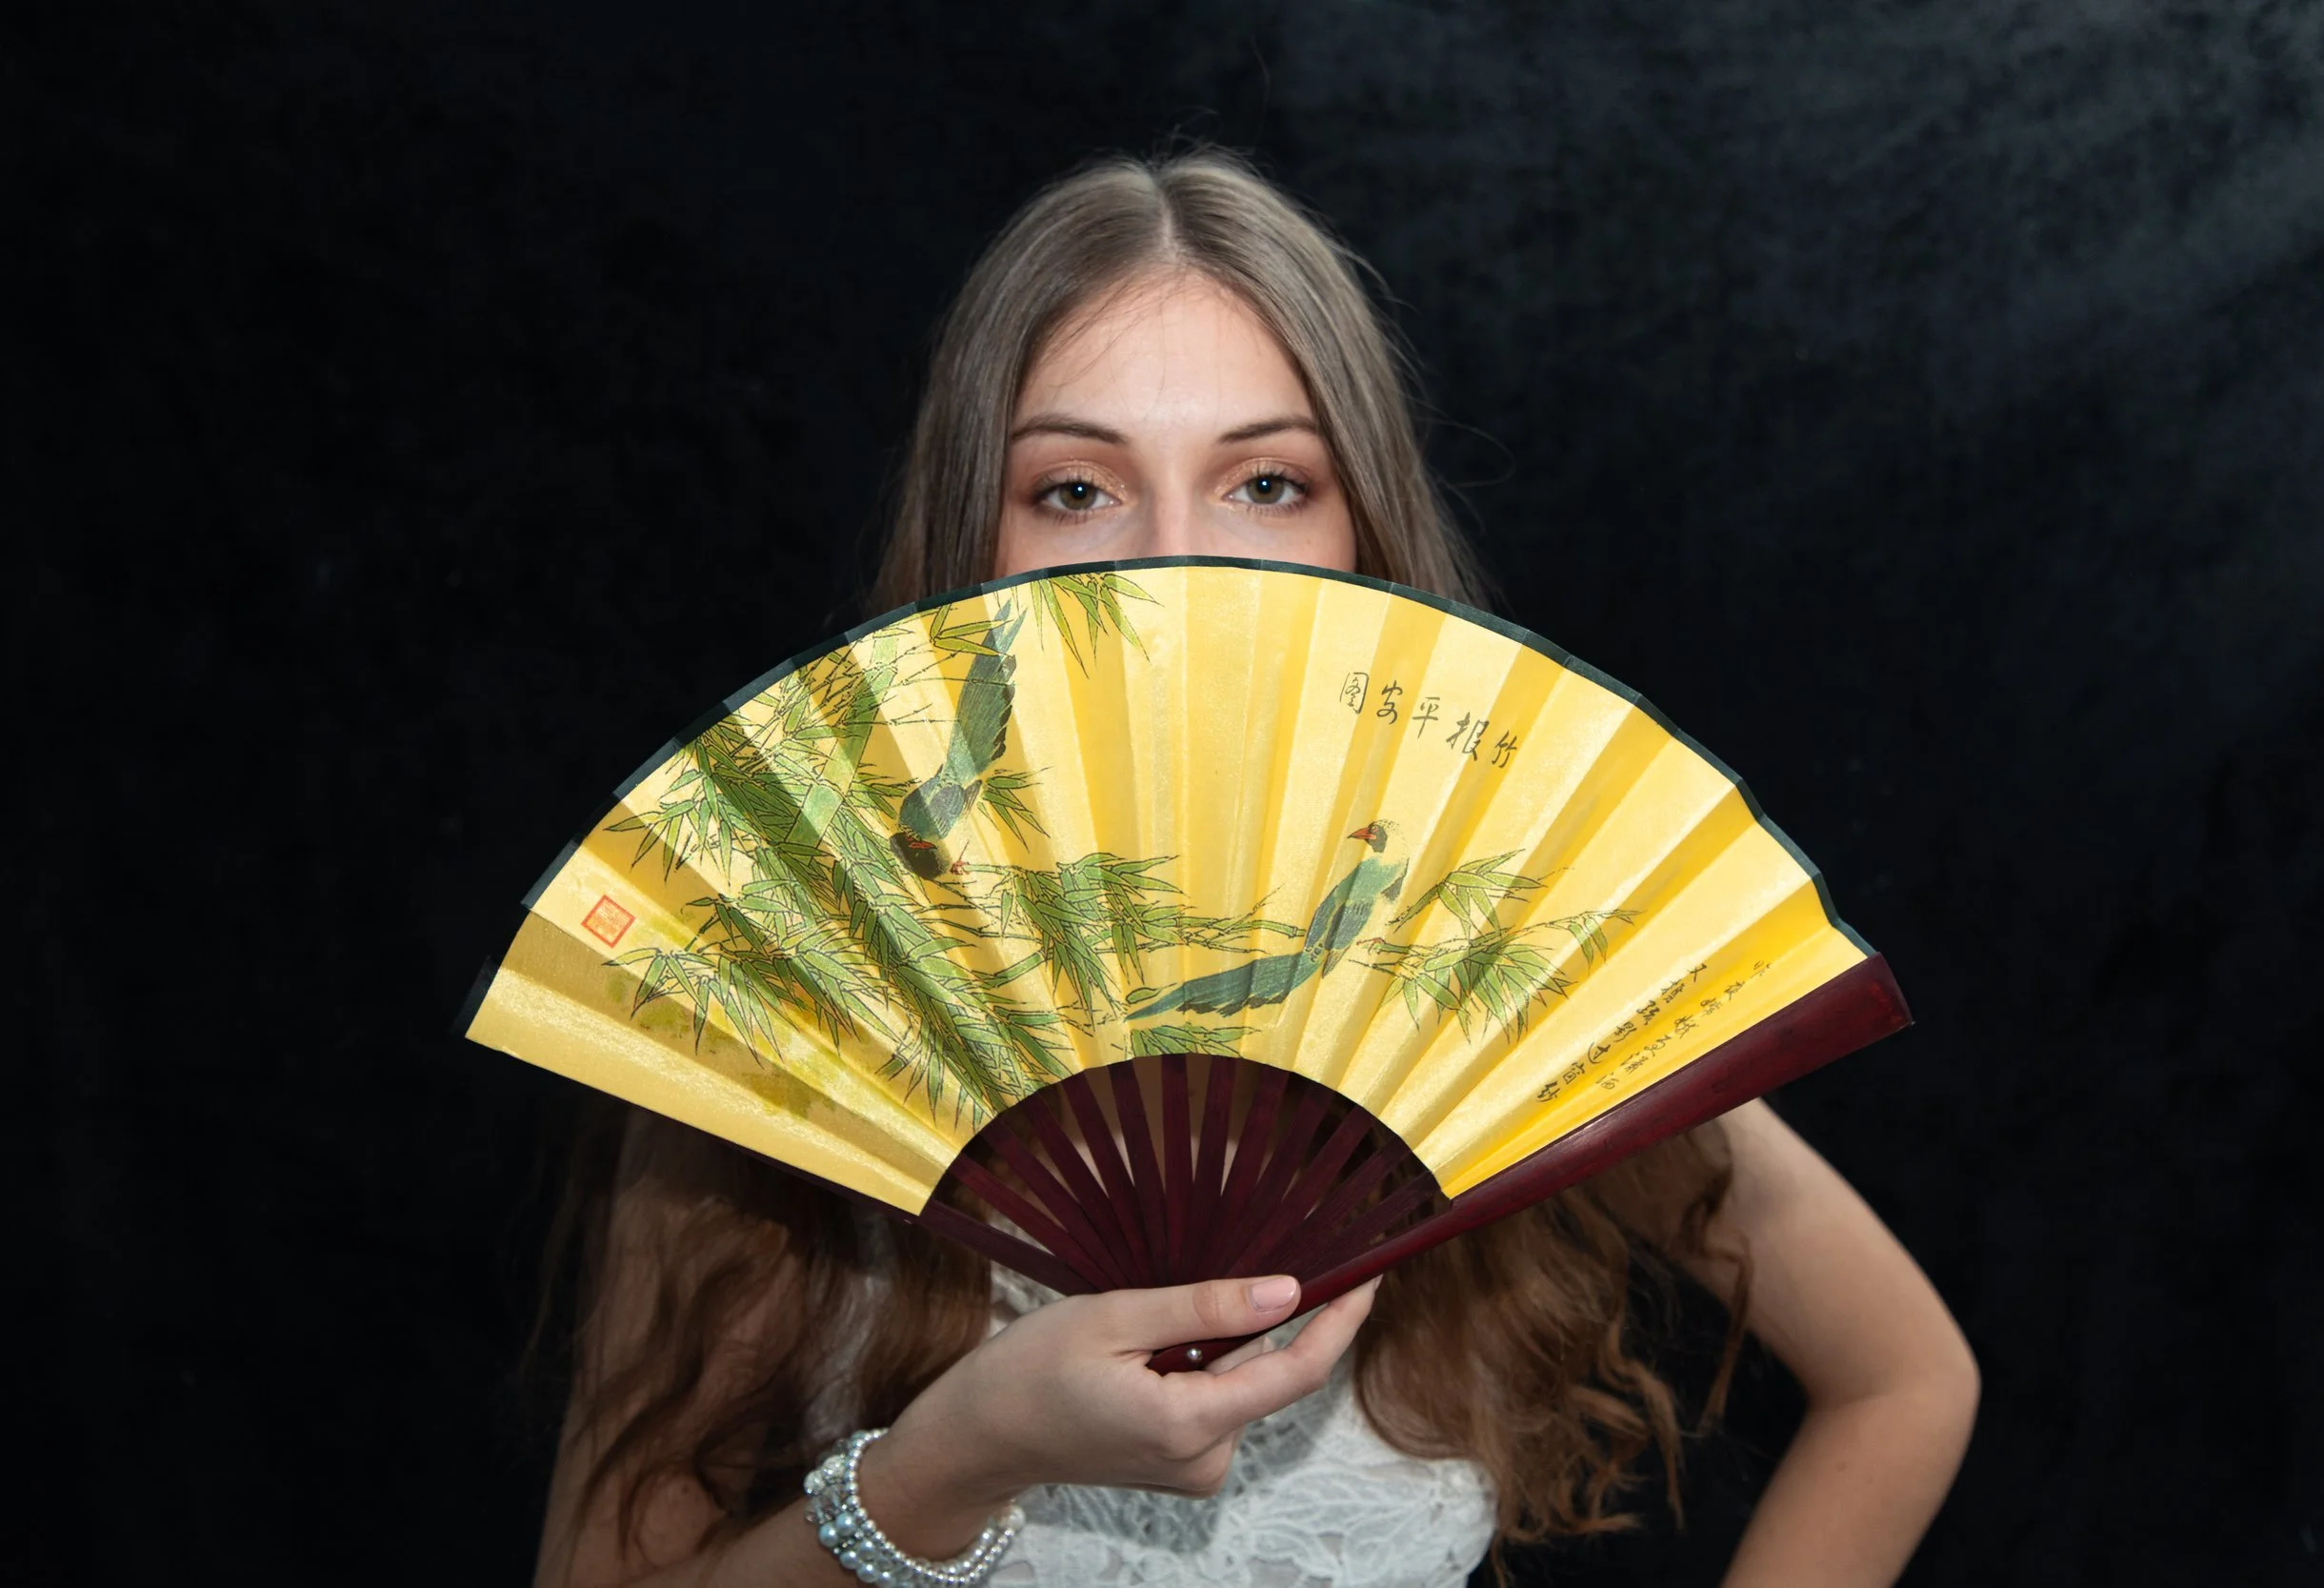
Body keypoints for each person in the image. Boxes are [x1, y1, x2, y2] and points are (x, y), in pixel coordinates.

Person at [531, 145, 1978, 1588]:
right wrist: (947, 1464)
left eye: (1267, 482)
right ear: (977, 543)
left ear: (1362, 540)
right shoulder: (796, 993)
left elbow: (1905, 1382)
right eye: (1076, 489)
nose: (1175, 565)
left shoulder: (1492, 968)